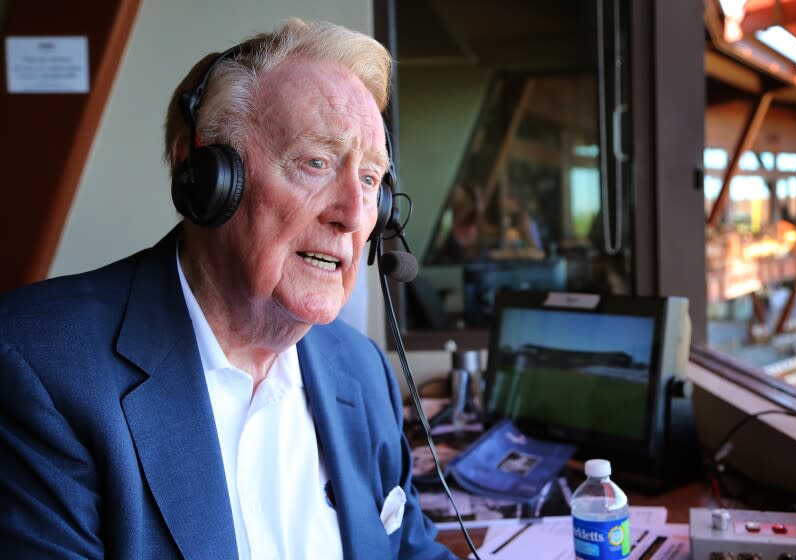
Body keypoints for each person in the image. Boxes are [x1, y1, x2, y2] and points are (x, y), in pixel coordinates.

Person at [0, 18, 456, 560]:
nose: (355, 215)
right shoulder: (38, 365)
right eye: (316, 162)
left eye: (369, 180)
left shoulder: (361, 370)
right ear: (209, 179)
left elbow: (410, 551)